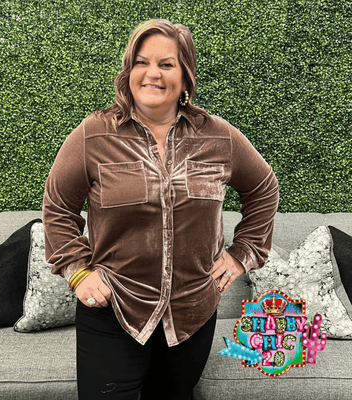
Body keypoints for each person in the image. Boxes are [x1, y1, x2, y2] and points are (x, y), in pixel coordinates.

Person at [42, 18, 279, 400]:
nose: (152, 73)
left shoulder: (218, 136)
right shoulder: (93, 134)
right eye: (141, 62)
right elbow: (57, 207)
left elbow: (264, 187)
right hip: (113, 310)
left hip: (192, 316)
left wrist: (242, 254)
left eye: (166, 64)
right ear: (128, 72)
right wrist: (78, 272)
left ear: (185, 77)